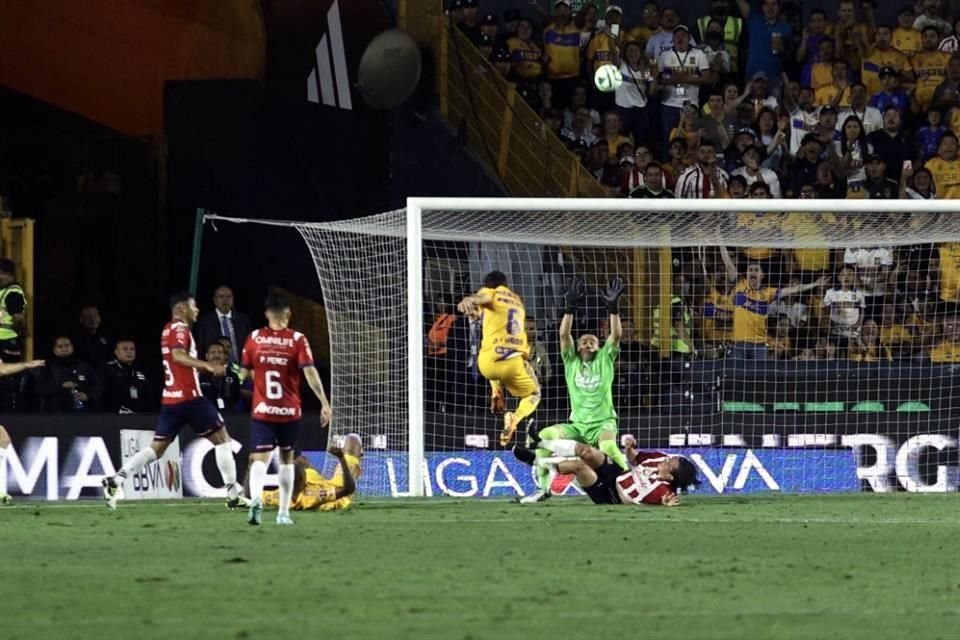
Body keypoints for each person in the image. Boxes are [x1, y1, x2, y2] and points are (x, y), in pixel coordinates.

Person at [101, 292, 240, 510]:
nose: (197, 310)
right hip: (190, 397)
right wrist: (208, 366)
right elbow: (177, 356)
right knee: (223, 440)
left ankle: (116, 479)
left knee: (156, 449)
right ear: (183, 308)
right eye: (193, 307)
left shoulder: (167, 329)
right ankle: (233, 495)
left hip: (171, 399)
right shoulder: (180, 329)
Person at [522, 275, 626, 504]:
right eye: (583, 341)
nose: (587, 343)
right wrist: (569, 309)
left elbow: (616, 335)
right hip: (578, 425)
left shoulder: (605, 360)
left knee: (608, 445)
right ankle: (543, 488)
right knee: (545, 435)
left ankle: (630, 481)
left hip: (603, 423)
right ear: (577, 347)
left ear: (599, 347)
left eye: (592, 341)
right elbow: (562, 335)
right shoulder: (571, 362)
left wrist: (613, 309)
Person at [240, 293, 333, 526]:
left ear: (267, 314)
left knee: (260, 458)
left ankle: (256, 500)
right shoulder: (297, 340)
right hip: (289, 411)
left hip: (263, 409)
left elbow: (243, 374)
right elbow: (310, 372)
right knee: (286, 458)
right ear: (288, 314)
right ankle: (283, 513)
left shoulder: (254, 338)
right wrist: (323, 401)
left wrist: (251, 374)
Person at [457, 271, 540, 447]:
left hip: (486, 364)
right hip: (512, 362)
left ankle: (496, 391)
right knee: (534, 394)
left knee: (489, 348)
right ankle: (514, 418)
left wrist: (469, 300)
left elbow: (480, 298)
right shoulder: (517, 301)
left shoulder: (490, 293)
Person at [517, 435, 698, 506]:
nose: (666, 459)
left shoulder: (664, 492)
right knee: (586, 451)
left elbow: (667, 502)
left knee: (578, 466)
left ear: (670, 475)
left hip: (611, 497)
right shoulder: (658, 457)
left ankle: (535, 462)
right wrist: (628, 448)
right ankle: (538, 442)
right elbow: (634, 458)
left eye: (669, 462)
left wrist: (665, 505)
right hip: (617, 474)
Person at [720, 246, 829, 359]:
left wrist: (815, 284)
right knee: (737, 375)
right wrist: (720, 243)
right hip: (738, 343)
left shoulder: (768, 292)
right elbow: (727, 262)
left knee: (760, 376)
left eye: (756, 270)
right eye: (750, 270)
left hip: (759, 344)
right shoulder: (740, 284)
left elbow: (795, 289)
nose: (753, 272)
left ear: (762, 276)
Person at [260, 438, 361, 512]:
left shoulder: (277, 496)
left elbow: (259, 496)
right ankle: (355, 462)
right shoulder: (313, 497)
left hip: (307, 485)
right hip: (337, 490)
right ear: (302, 481)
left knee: (301, 460)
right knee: (353, 440)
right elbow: (348, 489)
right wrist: (342, 458)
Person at [36, 335, 103, 412]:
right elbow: (40, 388)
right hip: (55, 413)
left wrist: (88, 396)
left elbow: (97, 385)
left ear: (72, 347)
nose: (64, 348)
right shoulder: (48, 366)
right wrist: (61, 385)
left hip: (82, 412)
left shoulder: (84, 366)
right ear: (54, 350)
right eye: (60, 346)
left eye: (67, 345)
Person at [194, 285, 252, 362]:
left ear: (233, 299)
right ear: (215, 300)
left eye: (229, 296)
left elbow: (250, 345)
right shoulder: (204, 322)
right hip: (213, 369)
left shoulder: (243, 320)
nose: (225, 300)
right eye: (221, 297)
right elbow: (200, 348)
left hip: (240, 368)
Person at [102, 338, 153, 413]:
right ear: (116, 352)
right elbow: (104, 396)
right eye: (125, 349)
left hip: (140, 417)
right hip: (114, 417)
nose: (129, 351)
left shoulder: (140, 370)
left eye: (132, 349)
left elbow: (149, 397)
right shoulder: (107, 370)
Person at [199, 341, 241, 413]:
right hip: (205, 415)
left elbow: (236, 397)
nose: (216, 355)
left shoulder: (233, 376)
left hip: (229, 416)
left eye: (220, 352)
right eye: (213, 352)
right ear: (206, 356)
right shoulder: (199, 376)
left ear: (225, 356)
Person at [0, 258, 26, 362]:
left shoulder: (13, 292)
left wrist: (18, 331)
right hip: (3, 339)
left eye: (1, 273)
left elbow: (18, 318)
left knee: (9, 374)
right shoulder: (3, 290)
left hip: (7, 340)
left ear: (10, 275)